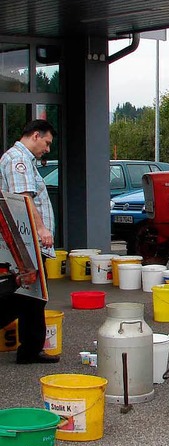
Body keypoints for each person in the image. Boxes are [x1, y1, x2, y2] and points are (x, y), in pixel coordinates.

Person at [0, 119, 59, 364]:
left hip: (26, 241)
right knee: (22, 293)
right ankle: (30, 349)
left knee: (34, 296)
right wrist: (42, 229)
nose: (47, 149)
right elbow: (24, 199)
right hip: (26, 242)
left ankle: (31, 349)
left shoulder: (20, 159)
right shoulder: (18, 161)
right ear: (35, 135)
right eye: (46, 143)